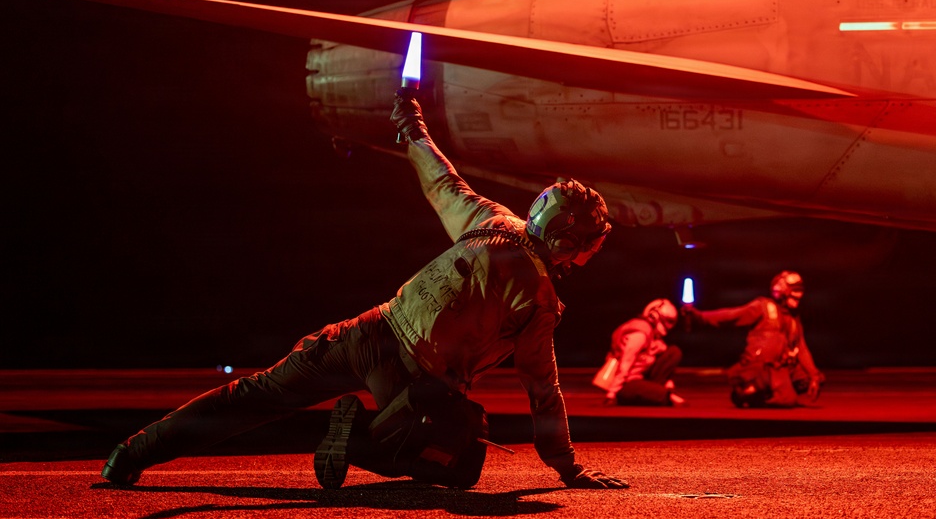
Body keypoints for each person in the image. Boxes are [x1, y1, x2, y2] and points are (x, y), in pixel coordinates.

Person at [100, 88, 629, 491]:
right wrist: (567, 466)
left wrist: (412, 125)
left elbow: (442, 180)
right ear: (565, 242)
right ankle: (354, 438)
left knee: (254, 394)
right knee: (461, 460)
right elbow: (542, 388)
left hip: (366, 331)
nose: (593, 250)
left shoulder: (491, 220)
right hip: (412, 382)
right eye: (591, 242)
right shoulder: (538, 298)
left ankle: (130, 454)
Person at [682, 271, 824, 408]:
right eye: (794, 290)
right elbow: (731, 316)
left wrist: (814, 375)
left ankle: (766, 393)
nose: (798, 294)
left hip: (781, 368)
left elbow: (801, 348)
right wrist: (700, 316)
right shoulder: (763, 307)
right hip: (760, 367)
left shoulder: (794, 318)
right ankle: (749, 389)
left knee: (807, 380)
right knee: (786, 400)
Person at [597, 299, 686, 407]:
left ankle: (660, 391)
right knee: (659, 395)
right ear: (654, 316)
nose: (668, 326)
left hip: (639, 376)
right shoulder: (640, 335)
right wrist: (612, 394)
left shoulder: (651, 334)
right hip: (626, 383)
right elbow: (625, 365)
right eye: (666, 320)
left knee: (673, 352)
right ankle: (665, 394)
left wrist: (668, 381)